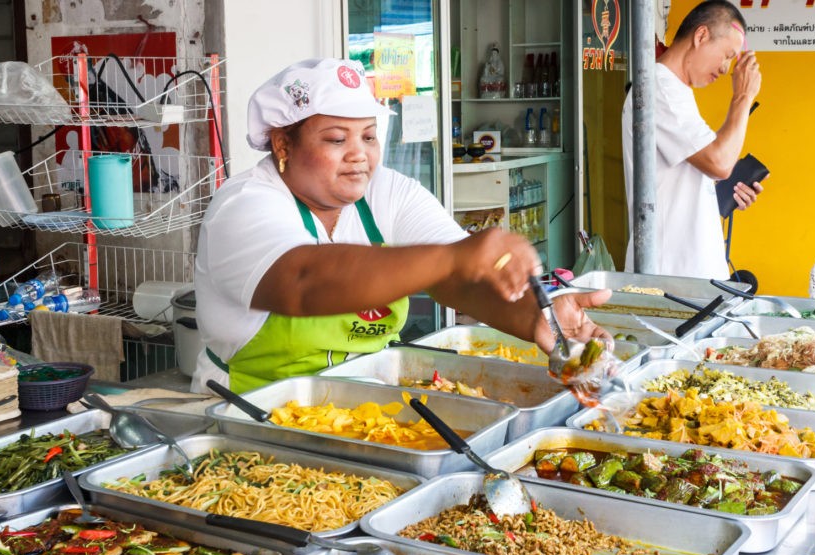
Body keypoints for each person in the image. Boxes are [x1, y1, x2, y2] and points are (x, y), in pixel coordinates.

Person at [192, 58, 612, 393]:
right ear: (283, 143)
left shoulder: (388, 193)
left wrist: (534, 317)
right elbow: (303, 280)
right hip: (251, 416)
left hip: (367, 411)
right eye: (338, 139)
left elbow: (460, 283)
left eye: (369, 137)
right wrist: (454, 257)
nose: (359, 155)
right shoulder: (244, 205)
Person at [622, 0, 764, 279]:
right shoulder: (658, 88)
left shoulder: (677, 91)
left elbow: (703, 171)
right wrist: (742, 97)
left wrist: (729, 190)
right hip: (672, 276)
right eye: (726, 55)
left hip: (692, 273)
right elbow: (719, 162)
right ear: (701, 36)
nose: (726, 69)